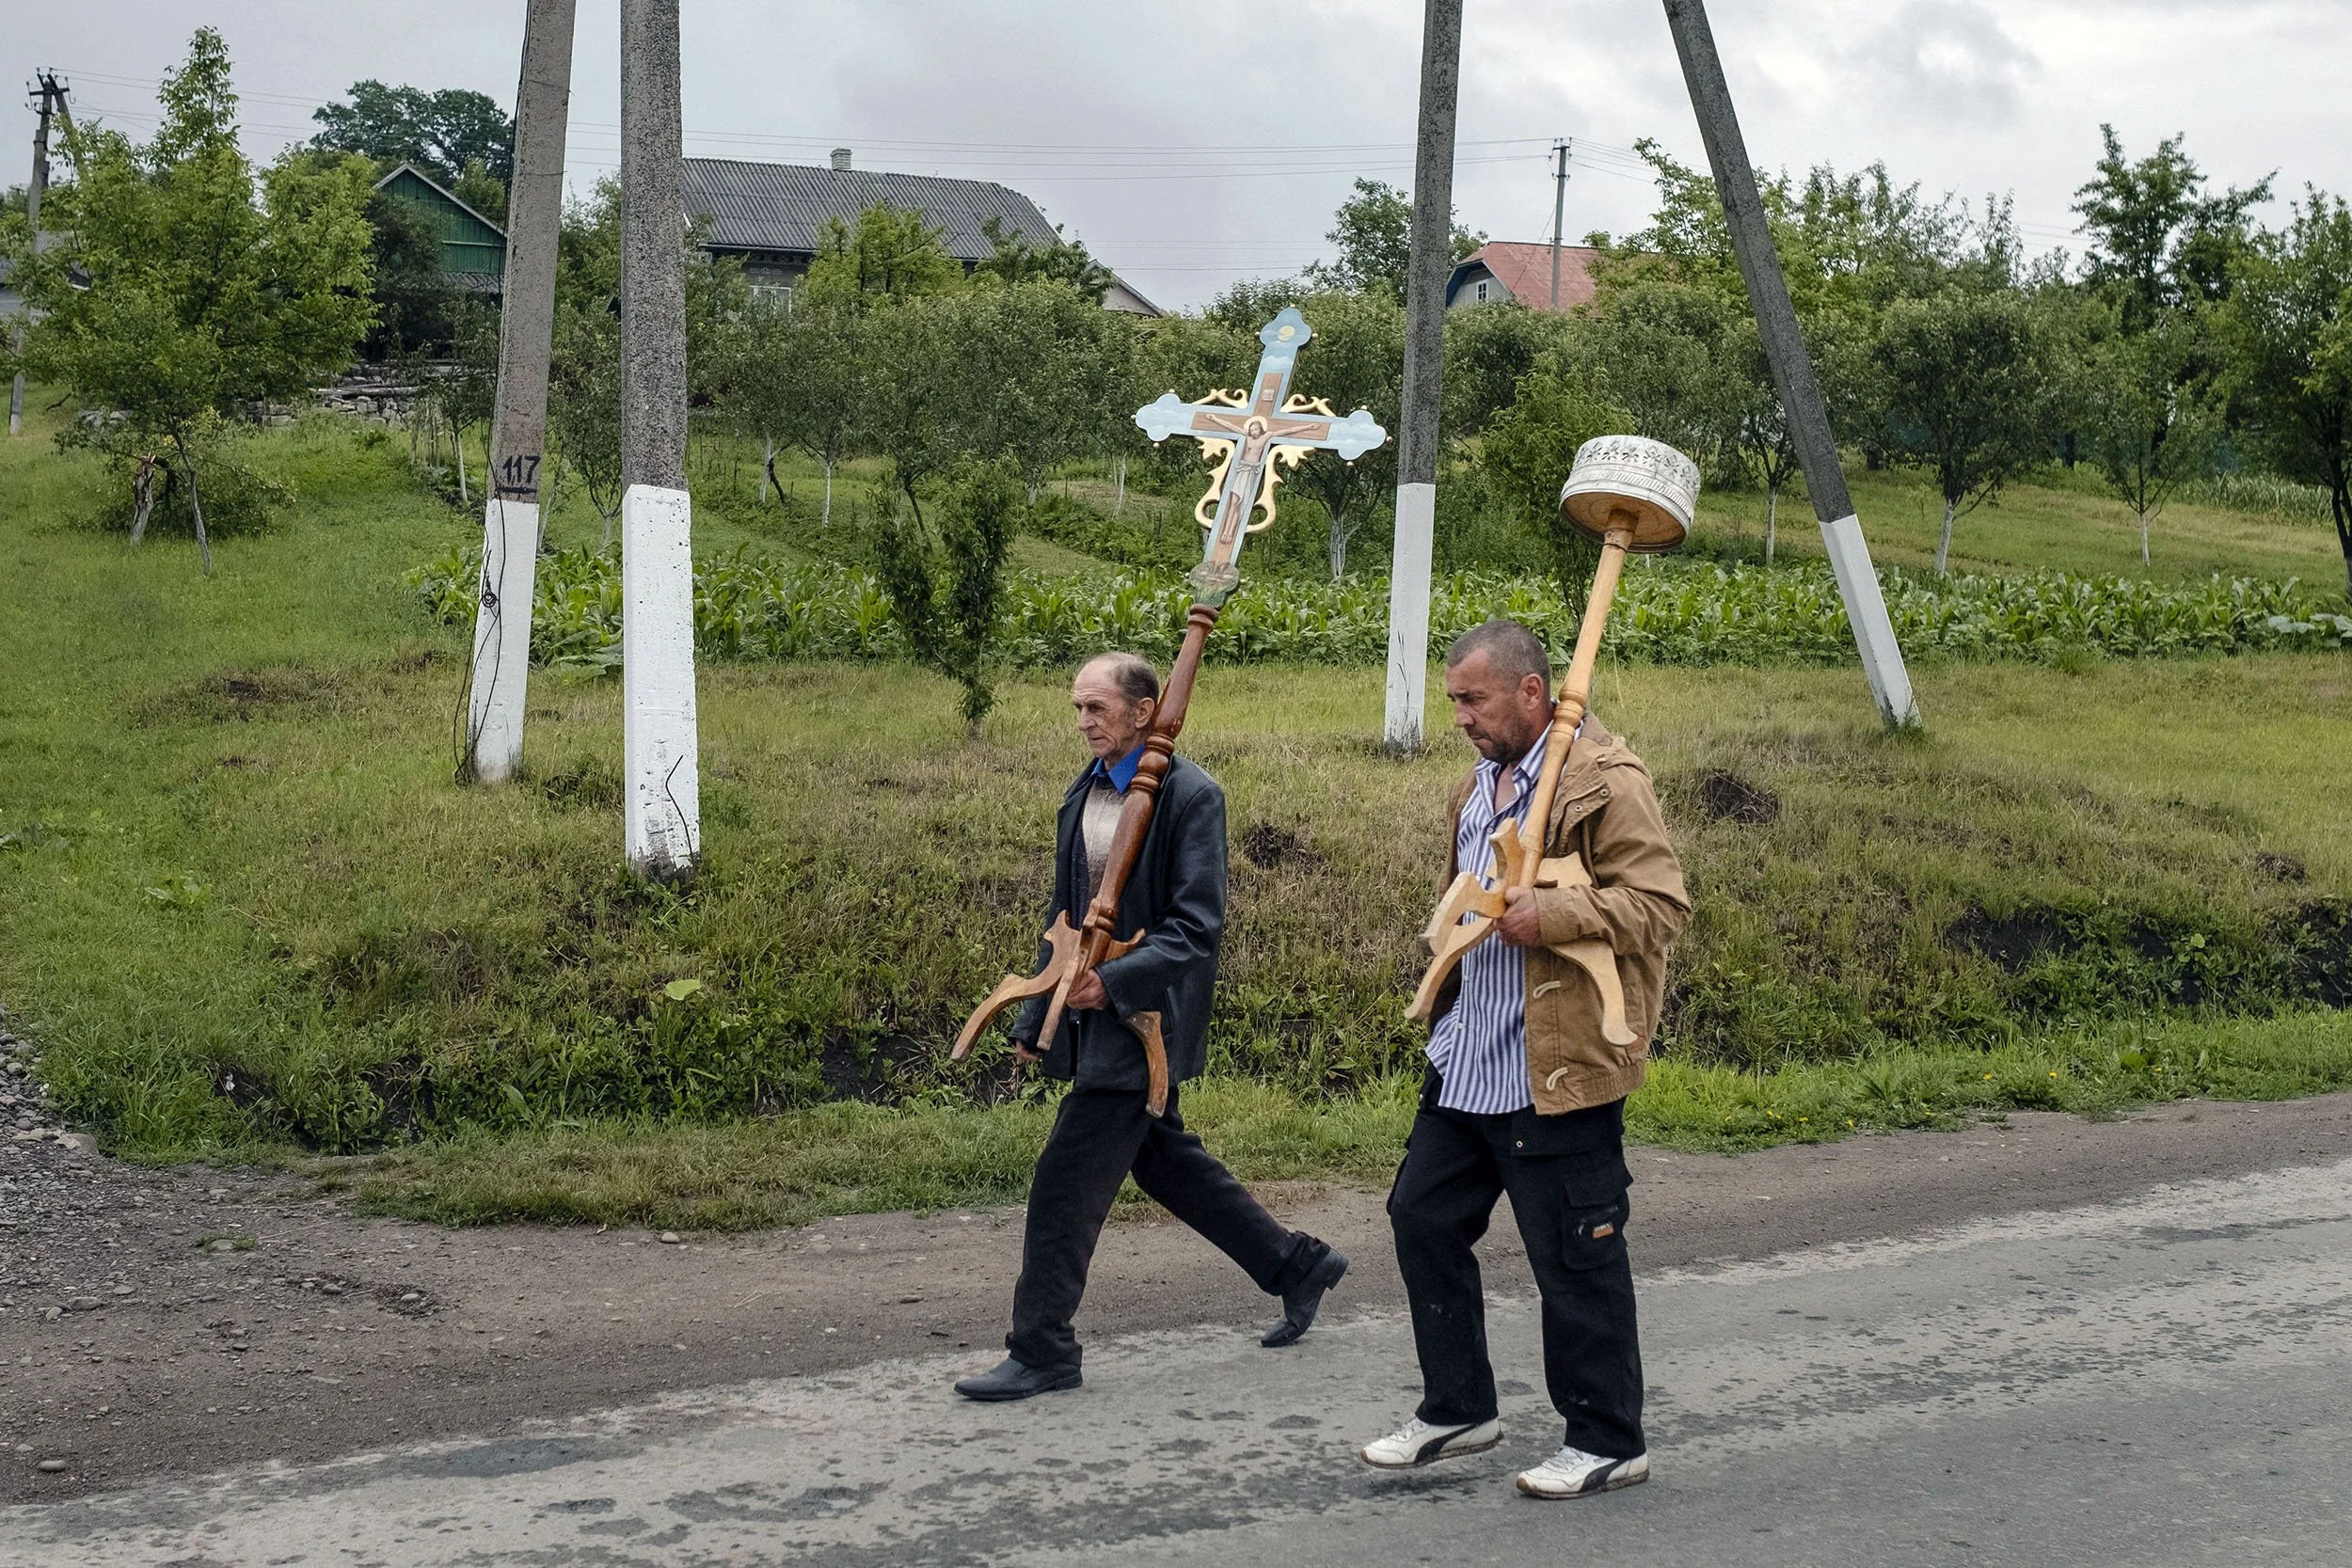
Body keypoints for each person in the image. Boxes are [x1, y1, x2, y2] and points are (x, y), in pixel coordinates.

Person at [953, 650, 1349, 1402]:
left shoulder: (1191, 795)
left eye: (1096, 709)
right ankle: (1297, 1265)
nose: (1083, 722)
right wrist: (1037, 1011)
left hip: (1144, 1024)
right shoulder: (1085, 792)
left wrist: (1116, 982)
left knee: (1063, 1184)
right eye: (1077, 709)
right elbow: (1065, 913)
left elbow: (1196, 926)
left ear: (1144, 710)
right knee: (1164, 1162)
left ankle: (1042, 1349)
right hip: (1087, 1014)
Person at [1359, 619, 1691, 1499]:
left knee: (1573, 1255)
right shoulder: (1481, 783)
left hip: (1559, 1064)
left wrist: (1559, 916)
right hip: (1471, 1052)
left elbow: (1660, 904)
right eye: (1454, 700)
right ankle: (1458, 1405)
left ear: (1531, 692)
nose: (1459, 715)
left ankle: (1608, 1438)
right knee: (1421, 1217)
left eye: (1473, 698)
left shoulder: (1601, 782)